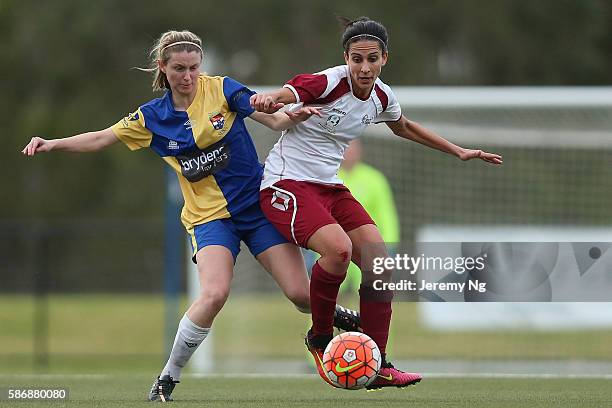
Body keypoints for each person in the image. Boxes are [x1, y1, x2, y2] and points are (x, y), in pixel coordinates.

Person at [22, 30, 360, 402]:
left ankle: (336, 313)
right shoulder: (151, 118)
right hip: (209, 218)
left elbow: (273, 120)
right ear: (162, 68)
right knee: (214, 293)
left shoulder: (222, 89)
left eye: (194, 68)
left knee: (299, 294)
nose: (188, 76)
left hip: (258, 208)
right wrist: (52, 143)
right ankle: (169, 375)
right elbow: (102, 138)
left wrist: (289, 115)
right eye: (179, 68)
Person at [251, 17, 502, 390]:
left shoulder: (382, 96)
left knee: (381, 264)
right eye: (356, 59)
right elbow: (290, 91)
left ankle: (379, 363)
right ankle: (319, 339)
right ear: (346, 58)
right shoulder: (328, 82)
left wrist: (458, 150)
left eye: (372, 58)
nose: (364, 67)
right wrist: (271, 98)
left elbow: (404, 126)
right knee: (338, 251)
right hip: (285, 185)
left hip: (328, 187)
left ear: (385, 57)